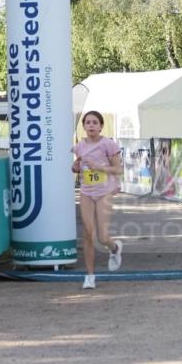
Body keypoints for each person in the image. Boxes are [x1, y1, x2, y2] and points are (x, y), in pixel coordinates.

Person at [71, 110, 124, 290]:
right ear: (84, 126)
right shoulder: (79, 146)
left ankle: (114, 248)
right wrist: (75, 167)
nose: (91, 125)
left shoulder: (108, 144)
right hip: (86, 191)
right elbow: (78, 167)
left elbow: (119, 169)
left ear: (101, 126)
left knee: (102, 237)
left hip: (105, 190)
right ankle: (90, 276)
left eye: (95, 122)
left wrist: (100, 167)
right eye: (88, 122)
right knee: (87, 232)